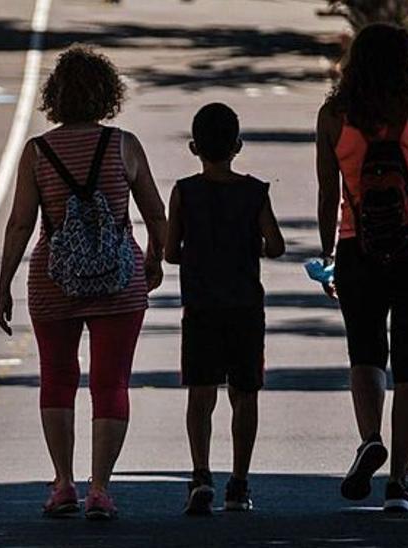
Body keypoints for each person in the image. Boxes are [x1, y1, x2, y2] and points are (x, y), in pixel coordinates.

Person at [0, 45, 168, 521]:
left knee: (57, 376)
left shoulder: (37, 152)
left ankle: (63, 483)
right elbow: (155, 211)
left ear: (56, 96)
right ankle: (101, 489)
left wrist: (4, 282)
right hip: (120, 279)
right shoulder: (124, 145)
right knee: (110, 382)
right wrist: (154, 259)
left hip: (54, 279)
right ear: (107, 95)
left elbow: (20, 224)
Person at [314, 23, 408, 512]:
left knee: (365, 355)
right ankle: (399, 482)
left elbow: (327, 193)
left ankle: (370, 437)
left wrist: (329, 255)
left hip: (359, 247)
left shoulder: (334, 115)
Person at [164, 103, 285, 515]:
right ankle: (239, 482)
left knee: (201, 394)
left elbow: (170, 252)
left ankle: (201, 475)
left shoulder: (184, 192)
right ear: (238, 145)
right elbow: (277, 245)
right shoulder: (255, 192)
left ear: (195, 146)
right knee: (244, 393)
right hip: (245, 307)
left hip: (200, 306)